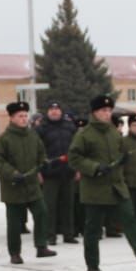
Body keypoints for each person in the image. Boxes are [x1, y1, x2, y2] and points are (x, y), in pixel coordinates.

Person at [68, 94, 136, 271]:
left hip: (116, 186)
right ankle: (92, 265)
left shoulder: (113, 132)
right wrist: (94, 167)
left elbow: (119, 151)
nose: (107, 113)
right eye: (103, 110)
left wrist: (123, 158)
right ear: (95, 112)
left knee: (129, 218)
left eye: (109, 110)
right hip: (95, 188)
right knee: (93, 229)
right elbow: (74, 158)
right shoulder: (84, 134)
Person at [0, 101, 57, 265]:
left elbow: (40, 152)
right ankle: (15, 253)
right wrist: (13, 173)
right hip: (13, 187)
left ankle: (41, 246)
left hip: (32, 184)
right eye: (20, 116)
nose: (24, 119)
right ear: (12, 118)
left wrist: (42, 162)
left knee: (41, 212)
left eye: (25, 116)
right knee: (14, 223)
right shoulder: (4, 139)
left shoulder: (32, 135)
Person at [36, 102, 78, 245]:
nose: (54, 112)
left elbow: (77, 150)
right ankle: (50, 235)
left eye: (57, 109)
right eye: (51, 109)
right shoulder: (41, 129)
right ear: (47, 112)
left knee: (68, 205)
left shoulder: (70, 127)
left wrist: (78, 168)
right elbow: (36, 152)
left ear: (61, 111)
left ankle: (69, 234)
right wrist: (38, 171)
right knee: (49, 206)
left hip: (68, 171)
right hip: (49, 173)